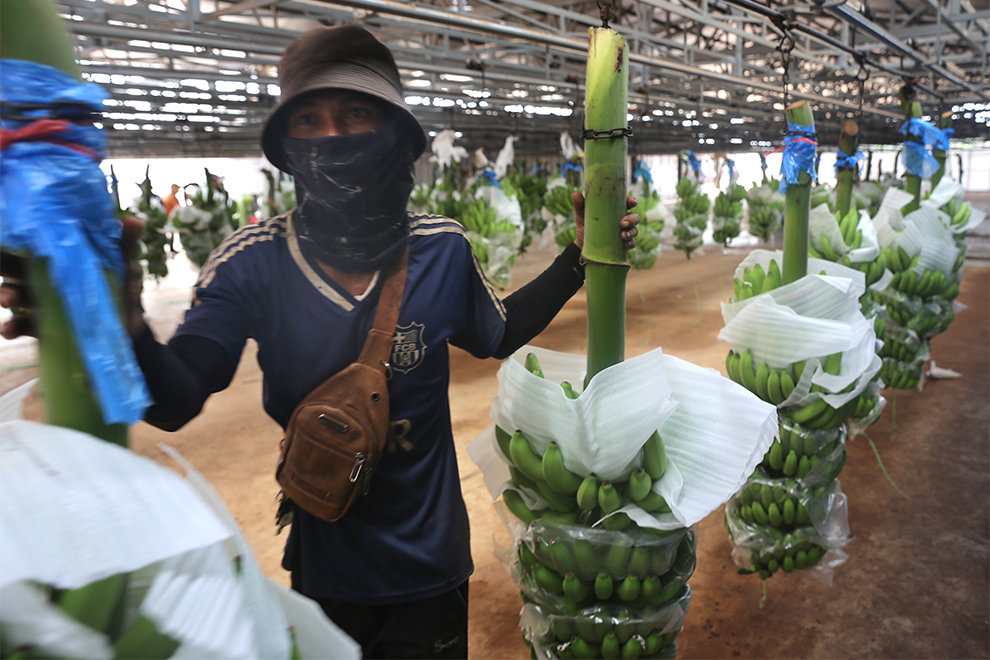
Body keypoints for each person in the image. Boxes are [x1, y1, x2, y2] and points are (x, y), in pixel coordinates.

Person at [1, 25, 637, 659]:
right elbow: (178, 396)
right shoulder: (251, 264)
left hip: (429, 564)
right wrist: (121, 320)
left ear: (394, 136)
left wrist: (578, 257)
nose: (332, 135)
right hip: (325, 568)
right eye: (308, 119)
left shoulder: (441, 250)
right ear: (287, 145)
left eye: (356, 112)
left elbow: (500, 333)